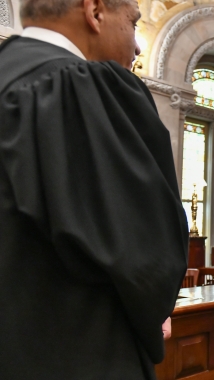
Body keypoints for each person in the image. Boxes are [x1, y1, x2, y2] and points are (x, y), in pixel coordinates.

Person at [0, 0, 189, 377]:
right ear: (95, 10)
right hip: (76, 353)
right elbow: (149, 257)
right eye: (134, 23)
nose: (137, 47)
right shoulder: (80, 89)